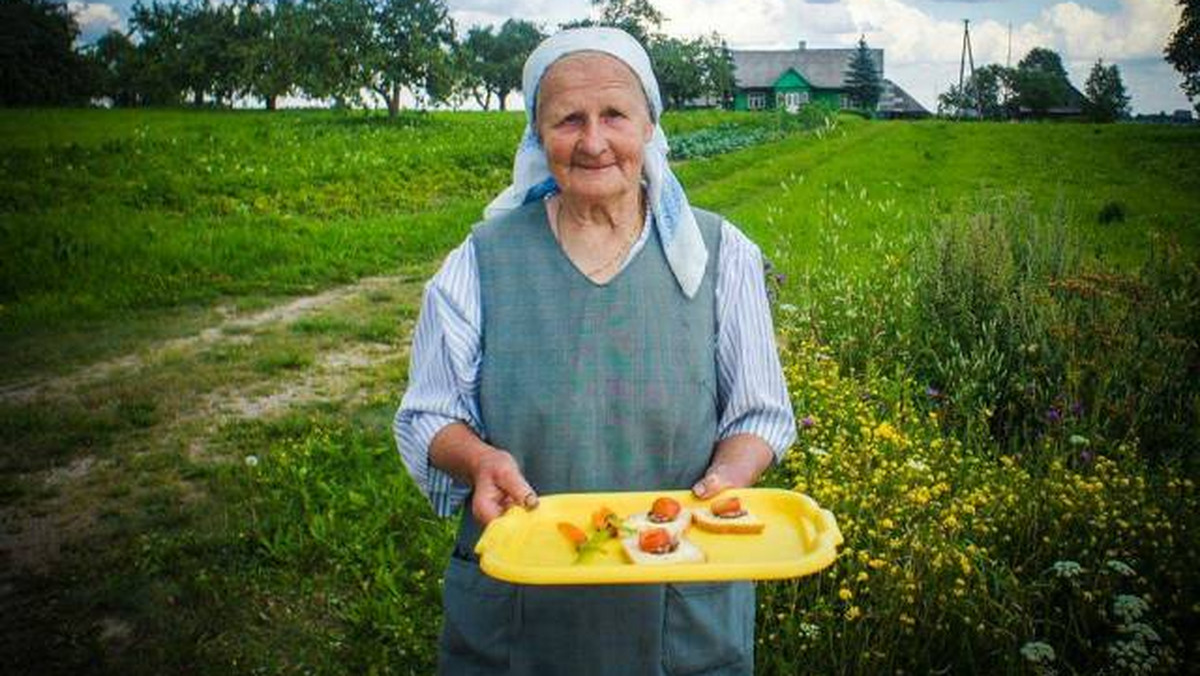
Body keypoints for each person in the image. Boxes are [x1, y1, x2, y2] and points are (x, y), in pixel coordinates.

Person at [394, 27, 796, 675]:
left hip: (681, 598)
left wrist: (726, 481)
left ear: (650, 126)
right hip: (520, 599)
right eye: (567, 120)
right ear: (537, 135)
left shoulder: (724, 255)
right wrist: (477, 460)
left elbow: (760, 415)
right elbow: (429, 413)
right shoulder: (481, 260)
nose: (592, 141)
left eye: (614, 115)